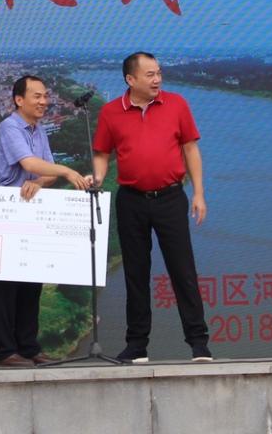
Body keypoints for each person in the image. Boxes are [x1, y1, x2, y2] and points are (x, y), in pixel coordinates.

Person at [92, 52, 212, 363]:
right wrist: (98, 177)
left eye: (158, 73)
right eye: (150, 75)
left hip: (170, 200)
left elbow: (190, 149)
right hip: (131, 201)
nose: (157, 79)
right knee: (135, 274)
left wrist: (199, 193)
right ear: (130, 79)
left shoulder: (176, 104)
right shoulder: (110, 112)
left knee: (183, 271)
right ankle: (137, 345)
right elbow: (102, 153)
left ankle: (198, 343)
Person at [0, 74, 93, 367]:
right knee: (7, 283)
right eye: (37, 96)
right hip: (8, 208)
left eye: (45, 96)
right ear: (18, 100)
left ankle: (28, 347)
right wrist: (67, 171)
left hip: (32, 207)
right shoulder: (10, 127)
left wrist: (38, 181)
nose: (44, 101)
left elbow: (44, 172)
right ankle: (4, 351)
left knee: (31, 279)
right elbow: (30, 163)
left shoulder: (40, 130)